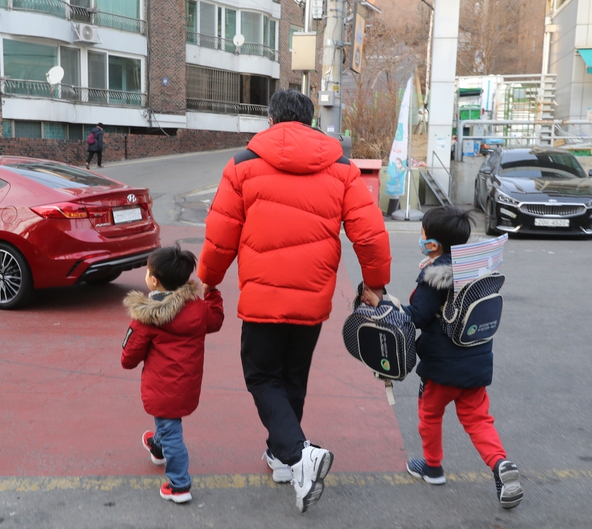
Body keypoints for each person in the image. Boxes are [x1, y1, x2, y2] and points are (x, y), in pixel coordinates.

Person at [197, 89, 391, 513]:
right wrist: (375, 283)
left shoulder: (243, 165)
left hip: (263, 295)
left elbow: (220, 233)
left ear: (271, 118)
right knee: (293, 375)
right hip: (313, 296)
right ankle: (282, 456)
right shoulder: (341, 168)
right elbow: (370, 233)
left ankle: (300, 455)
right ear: (310, 120)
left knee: (263, 377)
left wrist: (208, 280)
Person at [361, 206, 523, 510]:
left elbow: (415, 317)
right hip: (476, 360)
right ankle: (500, 464)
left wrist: (379, 303)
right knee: (478, 420)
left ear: (432, 244)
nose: (420, 237)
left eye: (423, 233)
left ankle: (432, 467)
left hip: (441, 367)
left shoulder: (434, 276)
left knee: (430, 414)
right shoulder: (475, 267)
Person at [121, 246, 224, 504]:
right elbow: (215, 321)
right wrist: (211, 294)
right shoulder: (197, 308)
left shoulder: (147, 316)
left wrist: (127, 357)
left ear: (154, 280)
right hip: (187, 385)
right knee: (167, 424)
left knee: (171, 430)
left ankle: (180, 484)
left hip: (162, 387)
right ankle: (157, 447)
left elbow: (130, 356)